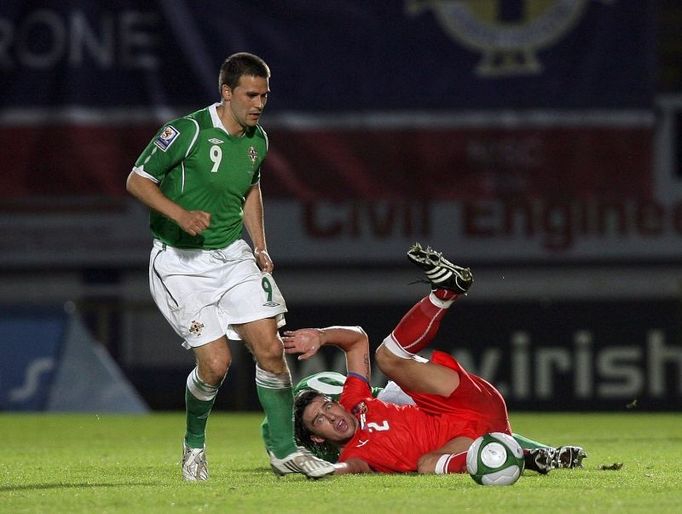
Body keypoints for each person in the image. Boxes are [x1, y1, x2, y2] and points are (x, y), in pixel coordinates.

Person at [126, 52, 334, 480]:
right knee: (216, 365)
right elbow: (137, 180)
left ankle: (283, 451)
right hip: (180, 263)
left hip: (231, 255)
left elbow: (251, 190)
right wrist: (179, 215)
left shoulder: (258, 140)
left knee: (272, 350)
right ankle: (194, 445)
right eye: (251, 94)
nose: (259, 103)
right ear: (227, 92)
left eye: (265, 95)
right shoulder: (186, 131)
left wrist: (260, 246)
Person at [287, 243, 586, 474]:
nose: (331, 417)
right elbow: (349, 468)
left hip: (465, 404)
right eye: (319, 421)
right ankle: (523, 457)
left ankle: (444, 293)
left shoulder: (355, 400)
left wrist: (321, 335)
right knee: (427, 466)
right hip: (471, 443)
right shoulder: (356, 454)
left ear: (336, 400)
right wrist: (325, 469)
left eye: (327, 406)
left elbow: (357, 339)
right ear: (318, 439)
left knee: (387, 359)